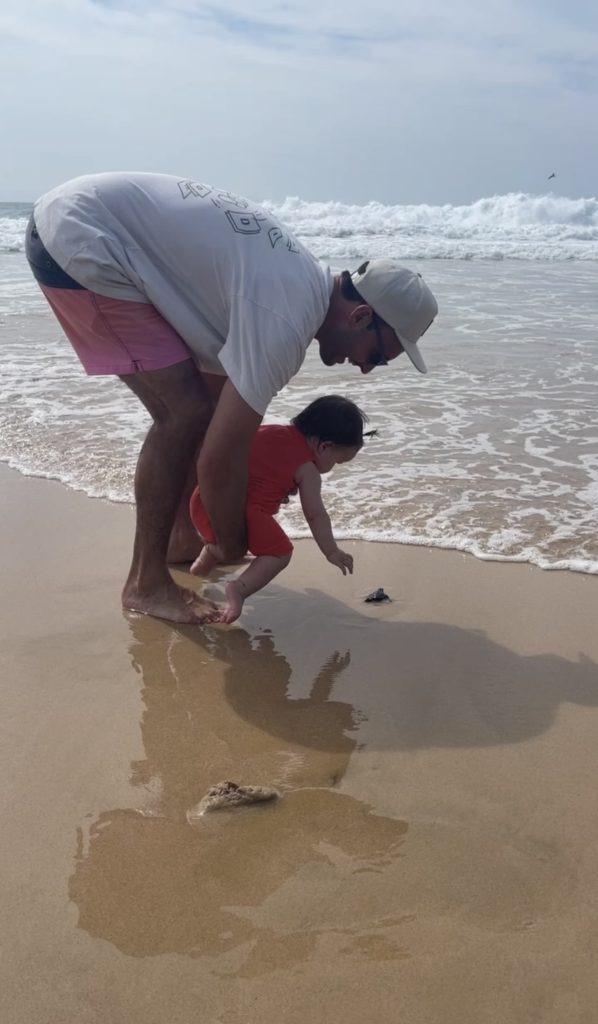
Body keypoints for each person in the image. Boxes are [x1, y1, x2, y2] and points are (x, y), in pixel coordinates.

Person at [25, 172, 439, 625]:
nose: (364, 369)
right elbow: (220, 460)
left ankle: (179, 542)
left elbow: (220, 440)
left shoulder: (298, 286)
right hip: (82, 239)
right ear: (361, 317)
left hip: (91, 220)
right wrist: (230, 540)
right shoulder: (284, 321)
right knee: (182, 414)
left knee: (202, 407)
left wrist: (224, 518)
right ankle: (145, 583)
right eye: (378, 357)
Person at [189, 395, 367, 623]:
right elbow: (315, 514)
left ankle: (201, 567)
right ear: (324, 446)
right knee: (280, 552)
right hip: (240, 515)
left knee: (236, 535)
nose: (333, 468)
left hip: (204, 501)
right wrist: (331, 551)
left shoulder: (270, 431)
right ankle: (239, 589)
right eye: (338, 461)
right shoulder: (308, 469)